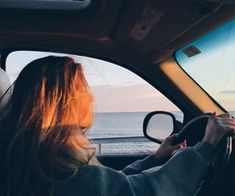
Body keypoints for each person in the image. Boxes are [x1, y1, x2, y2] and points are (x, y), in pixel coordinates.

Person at [0, 56, 234, 196]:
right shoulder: (57, 165)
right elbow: (140, 193)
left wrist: (154, 159)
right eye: (82, 92)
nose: (90, 99)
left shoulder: (32, 156)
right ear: (62, 102)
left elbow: (108, 188)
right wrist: (205, 148)